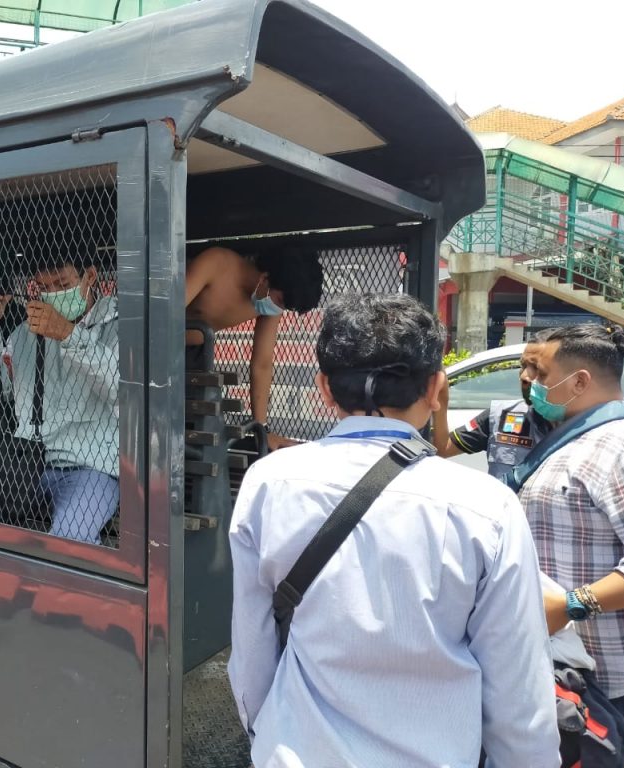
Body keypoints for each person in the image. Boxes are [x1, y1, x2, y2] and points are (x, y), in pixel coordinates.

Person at [228, 293, 559, 768]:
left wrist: (266, 734)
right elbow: (518, 687)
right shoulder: (487, 507)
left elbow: (253, 644)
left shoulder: (269, 481)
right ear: (436, 388)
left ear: (325, 388)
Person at [515, 324, 624, 765]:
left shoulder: (621, 448)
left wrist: (572, 605)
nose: (528, 379)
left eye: (540, 371)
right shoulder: (571, 434)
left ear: (580, 381)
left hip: (598, 681)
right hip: (553, 667)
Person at [0, 253, 119, 545]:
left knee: (69, 541)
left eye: (63, 284)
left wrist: (68, 335)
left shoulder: (119, 324)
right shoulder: (26, 332)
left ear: (90, 277)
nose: (54, 294)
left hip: (92, 468)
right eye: (45, 287)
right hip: (26, 464)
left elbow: (123, 388)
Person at [185, 245, 322, 451]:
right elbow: (165, 313)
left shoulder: (269, 304)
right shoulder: (217, 263)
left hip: (193, 358)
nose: (278, 309)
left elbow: (262, 363)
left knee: (195, 435)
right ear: (265, 278)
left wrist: (262, 429)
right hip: (154, 343)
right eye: (280, 301)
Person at [432, 330, 554, 477]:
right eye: (523, 366)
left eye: (537, 368)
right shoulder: (502, 416)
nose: (524, 376)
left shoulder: (579, 432)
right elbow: (443, 448)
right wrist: (441, 396)